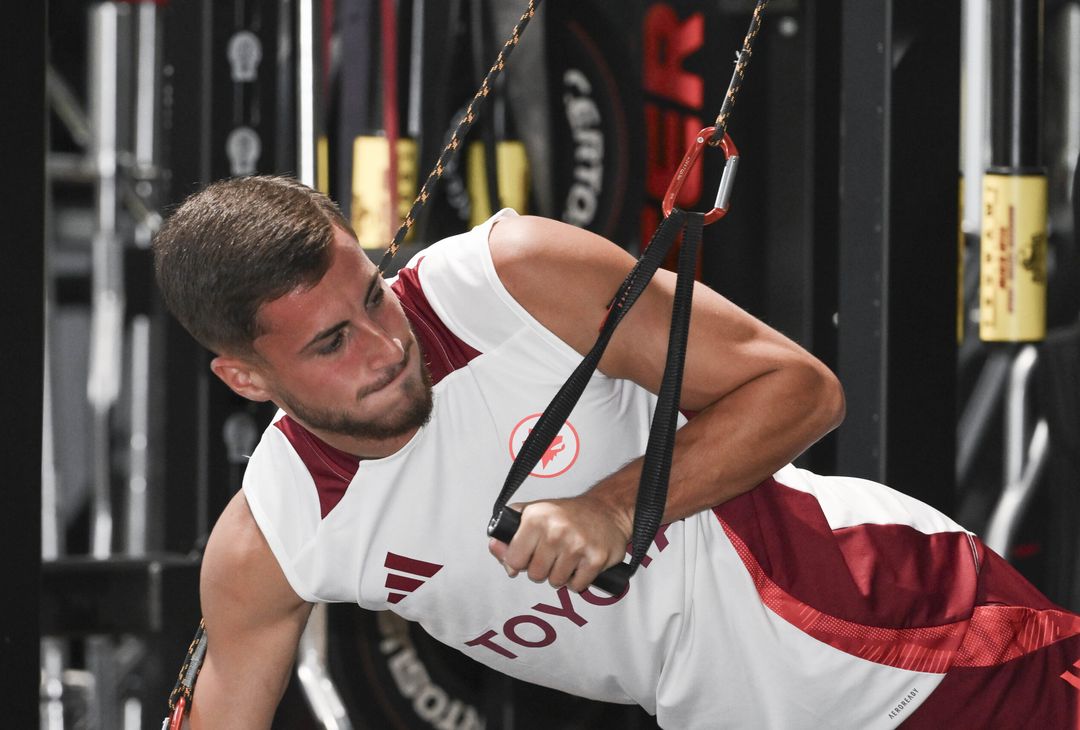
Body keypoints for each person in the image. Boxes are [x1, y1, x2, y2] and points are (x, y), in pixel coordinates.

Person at [154, 175, 1080, 729]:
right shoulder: (275, 539)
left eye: (372, 294)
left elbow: (803, 389)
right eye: (329, 344)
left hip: (912, 641)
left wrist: (613, 505)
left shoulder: (504, 282)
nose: (385, 344)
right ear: (245, 379)